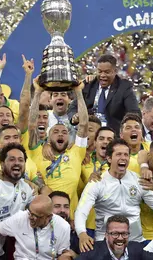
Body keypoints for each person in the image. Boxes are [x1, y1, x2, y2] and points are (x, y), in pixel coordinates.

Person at [75, 139, 153, 252]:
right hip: (105, 242)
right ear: (109, 158)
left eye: (126, 154)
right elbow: (81, 210)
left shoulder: (137, 180)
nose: (123, 157)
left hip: (135, 242)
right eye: (119, 154)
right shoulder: (97, 182)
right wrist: (82, 233)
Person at [36, 79, 89, 219]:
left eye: (65, 132)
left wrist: (78, 92)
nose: (60, 134)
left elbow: (83, 124)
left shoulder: (76, 153)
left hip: (71, 219)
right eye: (55, 132)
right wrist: (37, 91)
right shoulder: (39, 154)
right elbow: (30, 125)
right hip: (44, 219)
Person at [0, 195, 70, 260]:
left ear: (48, 217)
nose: (30, 217)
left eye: (35, 215)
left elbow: (64, 254)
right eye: (30, 212)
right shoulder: (21, 218)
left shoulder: (63, 227)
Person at [68, 54, 140, 133]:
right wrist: (74, 116)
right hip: (88, 133)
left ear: (115, 71)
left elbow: (134, 113)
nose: (102, 75)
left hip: (112, 135)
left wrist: (125, 128)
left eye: (107, 72)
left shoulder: (124, 88)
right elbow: (73, 107)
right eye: (100, 71)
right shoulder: (89, 84)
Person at [76, 215, 153, 260]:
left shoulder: (136, 249)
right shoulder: (92, 254)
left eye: (124, 234)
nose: (120, 238)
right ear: (106, 235)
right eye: (115, 234)